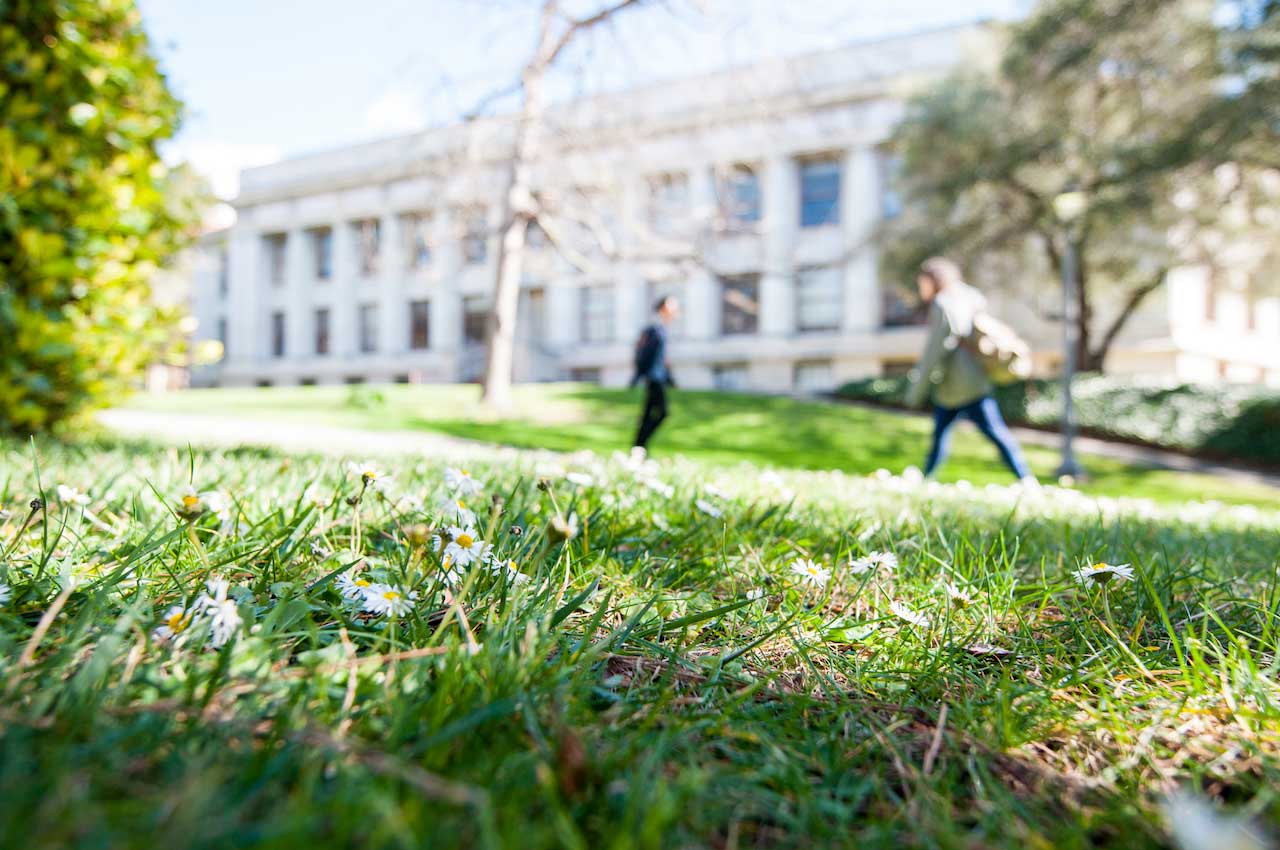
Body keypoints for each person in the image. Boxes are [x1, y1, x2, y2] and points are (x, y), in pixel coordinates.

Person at [905, 257, 1036, 484]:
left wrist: (916, 391)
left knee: (952, 434)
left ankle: (927, 479)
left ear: (932, 280)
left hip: (955, 386)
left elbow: (935, 350)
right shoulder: (969, 296)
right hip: (976, 379)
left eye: (922, 283)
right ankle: (1025, 478)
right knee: (991, 433)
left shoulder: (942, 304)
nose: (920, 288)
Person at [631, 295, 679, 451]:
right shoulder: (654, 329)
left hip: (658, 377)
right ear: (664, 307)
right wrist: (639, 374)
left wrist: (669, 377)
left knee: (647, 415)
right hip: (653, 377)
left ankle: (639, 448)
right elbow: (644, 353)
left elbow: (661, 358)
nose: (676, 309)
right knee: (662, 412)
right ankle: (639, 446)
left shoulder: (662, 329)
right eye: (673, 305)